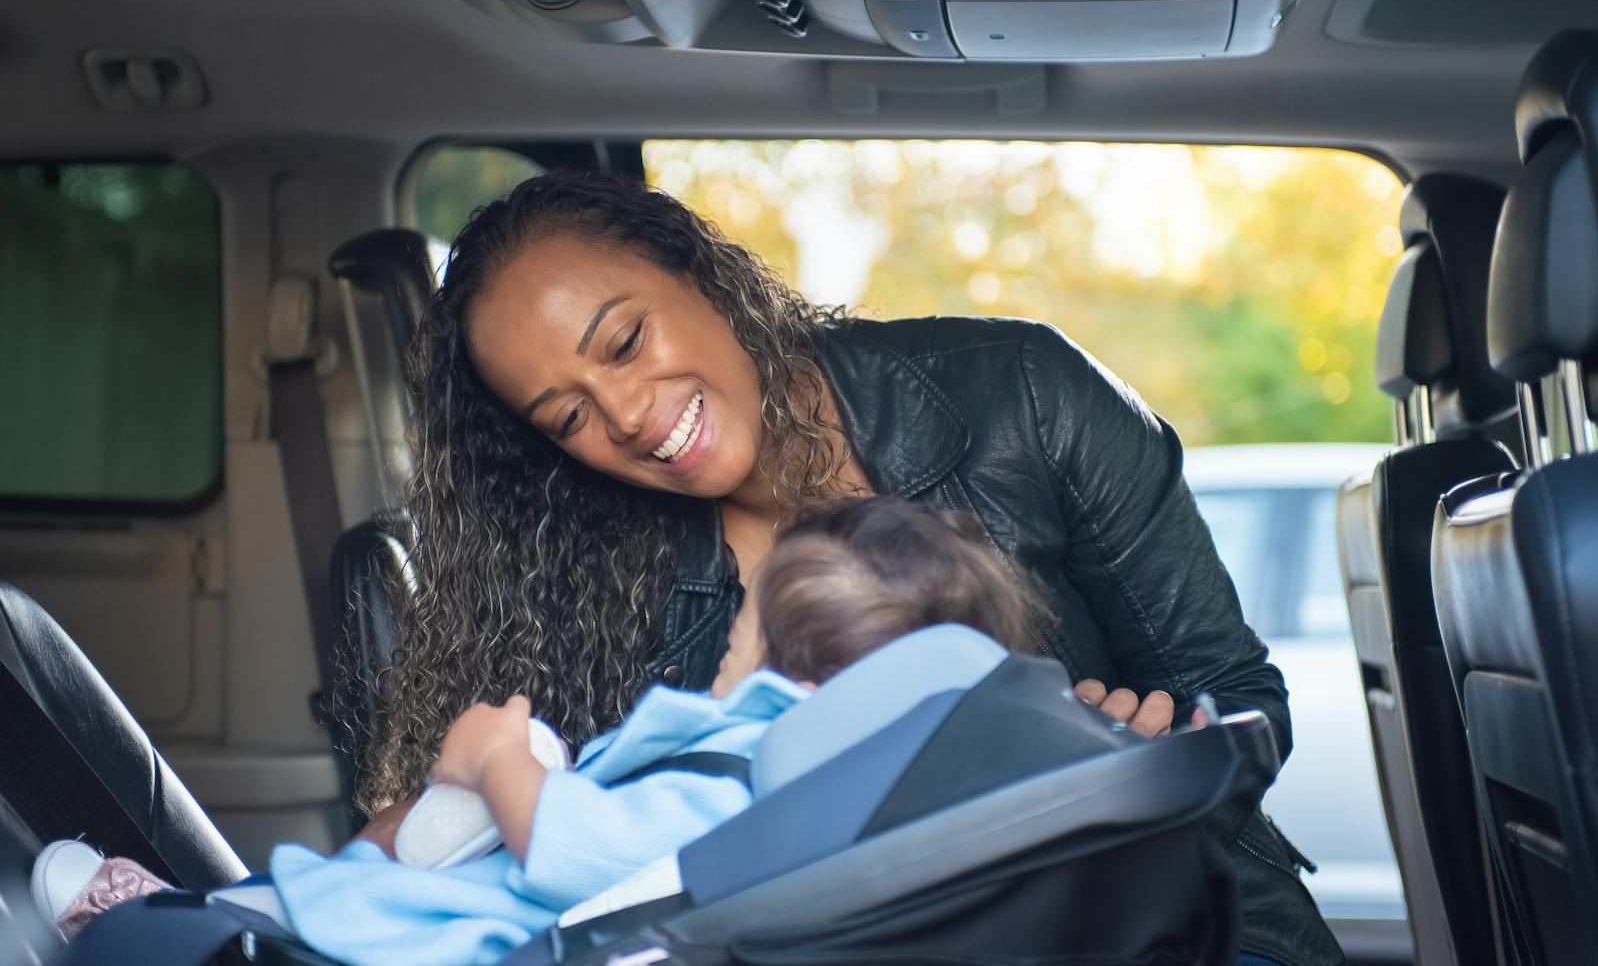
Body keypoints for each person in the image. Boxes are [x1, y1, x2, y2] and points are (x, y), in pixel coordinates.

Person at [354, 169, 1342, 966]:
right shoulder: (590, 571)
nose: (624, 415)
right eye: (567, 416)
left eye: (623, 341)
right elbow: (540, 807)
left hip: (1159, 919)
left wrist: (1141, 745)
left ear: (698, 271)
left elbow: (1235, 691)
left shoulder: (1026, 397)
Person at [32, 496, 1043, 966]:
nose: (729, 638)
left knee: (171, 940)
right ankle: (219, 917)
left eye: (744, 622)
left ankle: (189, 928)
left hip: (499, 942)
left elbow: (576, 852)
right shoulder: (860, 786)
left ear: (791, 663)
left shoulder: (754, 778)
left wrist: (495, 761)